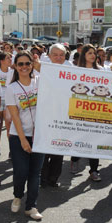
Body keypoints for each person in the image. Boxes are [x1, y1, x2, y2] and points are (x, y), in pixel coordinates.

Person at [6, 50, 44, 220]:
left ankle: (31, 206)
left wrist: (39, 67)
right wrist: (23, 139)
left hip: (40, 135)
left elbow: (58, 82)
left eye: (27, 64)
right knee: (21, 171)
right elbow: (14, 116)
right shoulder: (11, 88)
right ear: (15, 66)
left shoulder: (40, 81)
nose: (24, 67)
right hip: (18, 135)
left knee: (35, 173)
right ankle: (18, 195)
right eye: (20, 64)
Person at [35, 44, 70, 187]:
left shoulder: (71, 69)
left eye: (61, 55)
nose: (58, 57)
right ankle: (42, 177)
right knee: (44, 148)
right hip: (44, 114)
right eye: (55, 55)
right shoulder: (41, 69)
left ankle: (53, 178)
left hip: (63, 116)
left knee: (59, 148)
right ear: (49, 56)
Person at [71, 44, 104, 181]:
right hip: (80, 108)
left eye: (94, 53)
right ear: (84, 55)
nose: (92, 55)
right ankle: (75, 158)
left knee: (94, 140)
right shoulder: (76, 71)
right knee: (80, 137)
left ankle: (94, 170)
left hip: (95, 110)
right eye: (89, 53)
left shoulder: (102, 70)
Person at [0, 52, 14, 145]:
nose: (10, 60)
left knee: (9, 124)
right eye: (8, 58)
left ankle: (12, 149)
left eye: (10, 58)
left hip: (9, 100)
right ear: (1, 61)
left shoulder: (12, 71)